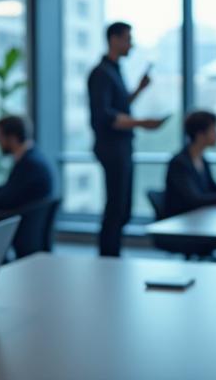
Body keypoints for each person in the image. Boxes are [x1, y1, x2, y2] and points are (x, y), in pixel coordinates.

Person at [87, 21, 165, 257]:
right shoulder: (101, 73)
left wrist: (139, 90)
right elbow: (107, 116)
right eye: (128, 38)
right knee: (116, 209)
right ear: (114, 39)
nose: (131, 44)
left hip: (121, 146)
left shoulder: (114, 70)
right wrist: (142, 123)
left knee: (122, 209)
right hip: (112, 147)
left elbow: (119, 107)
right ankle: (108, 258)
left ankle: (112, 256)